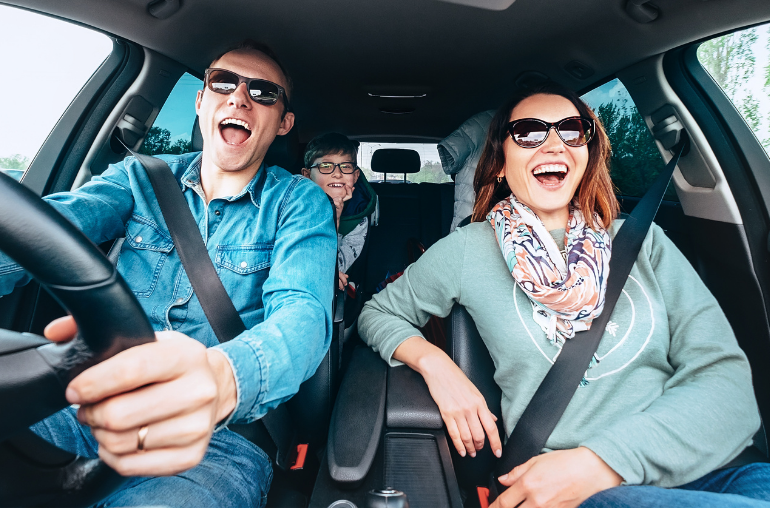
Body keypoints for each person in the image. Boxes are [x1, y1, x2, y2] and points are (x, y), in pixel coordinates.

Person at [358, 81, 769, 507]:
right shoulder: (467, 250)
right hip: (578, 491)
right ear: (498, 162)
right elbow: (378, 313)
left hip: (712, 469)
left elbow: (728, 386)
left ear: (586, 153)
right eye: (530, 132)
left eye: (570, 130)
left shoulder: (643, 241)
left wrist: (605, 460)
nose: (553, 144)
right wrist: (436, 365)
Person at [0, 40, 337, 507]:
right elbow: (45, 232)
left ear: (284, 123)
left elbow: (303, 314)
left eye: (263, 93)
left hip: (215, 442)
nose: (239, 98)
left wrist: (220, 378)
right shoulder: (137, 178)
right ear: (202, 100)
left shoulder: (299, 203)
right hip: (85, 405)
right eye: (223, 83)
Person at [302, 132, 377, 291]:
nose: (337, 173)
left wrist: (335, 218)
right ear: (307, 176)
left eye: (346, 167)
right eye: (326, 166)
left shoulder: (358, 217)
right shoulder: (294, 209)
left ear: (355, 176)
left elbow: (338, 267)